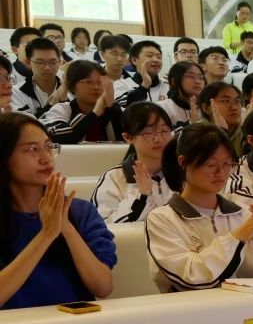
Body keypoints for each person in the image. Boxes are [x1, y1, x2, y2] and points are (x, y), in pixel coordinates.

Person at [145, 124, 253, 292]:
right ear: (183, 162)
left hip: (243, 304)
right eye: (210, 165)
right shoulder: (161, 218)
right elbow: (191, 277)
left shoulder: (243, 212)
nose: (221, 172)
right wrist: (239, 235)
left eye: (227, 163)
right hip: (191, 307)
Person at [0, 114, 115, 309]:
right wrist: (46, 234)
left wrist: (66, 228)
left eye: (48, 147)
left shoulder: (80, 212)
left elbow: (102, 287)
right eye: (32, 149)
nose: (46, 158)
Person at [92, 103, 175, 223]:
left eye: (165, 131)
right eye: (149, 133)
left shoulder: (183, 174)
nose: (159, 139)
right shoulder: (114, 177)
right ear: (128, 137)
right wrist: (142, 195)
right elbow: (104, 225)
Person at [42, 61, 124, 144]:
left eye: (100, 82)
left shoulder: (116, 110)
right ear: (72, 86)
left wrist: (112, 107)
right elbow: (55, 138)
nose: (96, 87)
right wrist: (95, 113)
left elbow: (127, 136)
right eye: (88, 82)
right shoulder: (61, 110)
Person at [12, 37, 64, 116]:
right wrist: (52, 104)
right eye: (40, 62)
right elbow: (24, 122)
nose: (47, 67)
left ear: (59, 62)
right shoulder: (16, 92)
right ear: (28, 62)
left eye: (52, 62)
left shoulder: (70, 89)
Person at [194, 82, 245, 157]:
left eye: (237, 101)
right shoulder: (195, 136)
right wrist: (222, 131)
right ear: (206, 108)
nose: (234, 107)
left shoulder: (246, 133)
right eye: (226, 101)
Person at [159, 62, 203, 129]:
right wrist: (191, 123)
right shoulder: (162, 108)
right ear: (174, 82)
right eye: (191, 76)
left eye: (201, 77)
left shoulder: (207, 107)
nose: (198, 81)